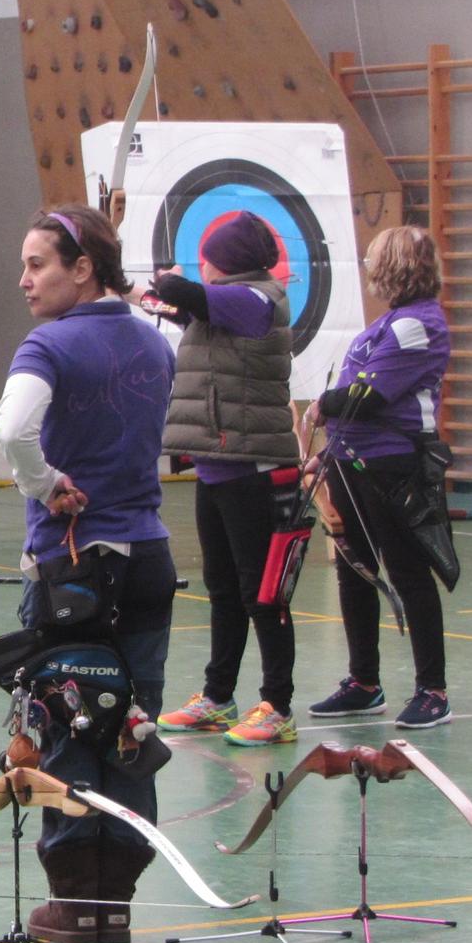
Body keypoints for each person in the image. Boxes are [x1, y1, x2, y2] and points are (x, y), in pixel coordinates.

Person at [0, 205, 177, 943]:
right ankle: (112, 903)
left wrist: (42, 484)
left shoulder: (50, 343)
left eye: (38, 264)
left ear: (83, 268)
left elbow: (11, 430)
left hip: (74, 567)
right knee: (129, 727)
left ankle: (74, 902)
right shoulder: (155, 342)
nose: (25, 279)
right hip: (148, 559)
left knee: (70, 723)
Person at [151, 212, 302, 748]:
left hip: (254, 471)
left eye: (208, 258)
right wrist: (145, 292)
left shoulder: (259, 299)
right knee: (223, 589)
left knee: (263, 594)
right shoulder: (219, 308)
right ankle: (218, 697)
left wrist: (170, 285)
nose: (203, 268)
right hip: (217, 468)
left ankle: (278, 705)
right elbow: (174, 302)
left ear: (227, 262)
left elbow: (188, 294)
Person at [305, 225, 456, 728]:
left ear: (393, 268)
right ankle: (363, 682)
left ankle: (432, 690)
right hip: (353, 460)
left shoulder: (417, 324)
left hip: (396, 464)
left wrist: (324, 405)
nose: (369, 270)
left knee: (408, 573)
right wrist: (325, 453)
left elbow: (368, 396)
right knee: (356, 570)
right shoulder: (392, 322)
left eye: (375, 261)